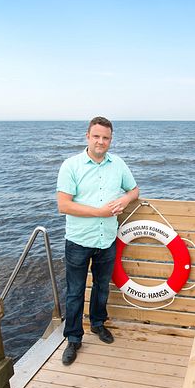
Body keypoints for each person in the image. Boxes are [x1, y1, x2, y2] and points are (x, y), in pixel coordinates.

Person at [56, 116, 140, 365]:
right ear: (87, 137)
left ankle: (97, 324)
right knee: (75, 292)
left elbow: (134, 190)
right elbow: (63, 205)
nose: (101, 141)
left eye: (105, 137)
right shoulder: (71, 166)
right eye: (96, 136)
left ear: (110, 140)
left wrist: (126, 200)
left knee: (102, 287)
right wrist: (99, 212)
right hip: (79, 241)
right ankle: (73, 338)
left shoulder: (119, 164)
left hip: (107, 240)